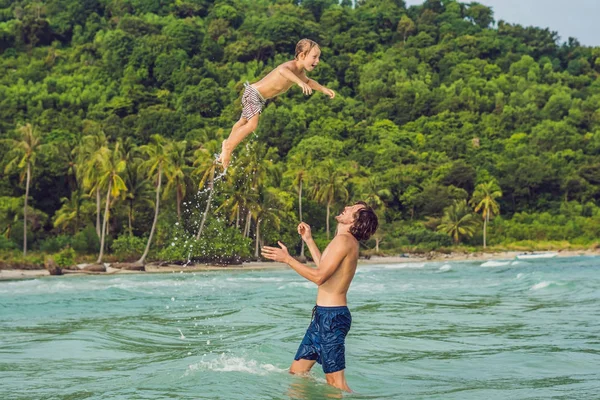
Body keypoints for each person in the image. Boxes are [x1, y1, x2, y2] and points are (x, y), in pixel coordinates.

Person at [261, 201, 379, 392]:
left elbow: (318, 277)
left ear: (355, 220)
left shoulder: (345, 240)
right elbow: (324, 269)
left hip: (332, 318)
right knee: (297, 374)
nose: (347, 207)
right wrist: (308, 240)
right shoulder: (343, 240)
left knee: (336, 384)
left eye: (352, 209)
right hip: (322, 317)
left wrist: (287, 259)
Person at [216, 38, 335, 169]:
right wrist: (299, 83)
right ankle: (228, 148)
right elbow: (281, 71)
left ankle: (226, 144)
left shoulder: (300, 73)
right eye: (314, 57)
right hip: (254, 93)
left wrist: (323, 89)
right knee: (252, 125)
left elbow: (309, 82)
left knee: (242, 122)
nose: (317, 61)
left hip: (259, 97)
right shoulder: (290, 67)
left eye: (318, 57)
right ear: (302, 55)